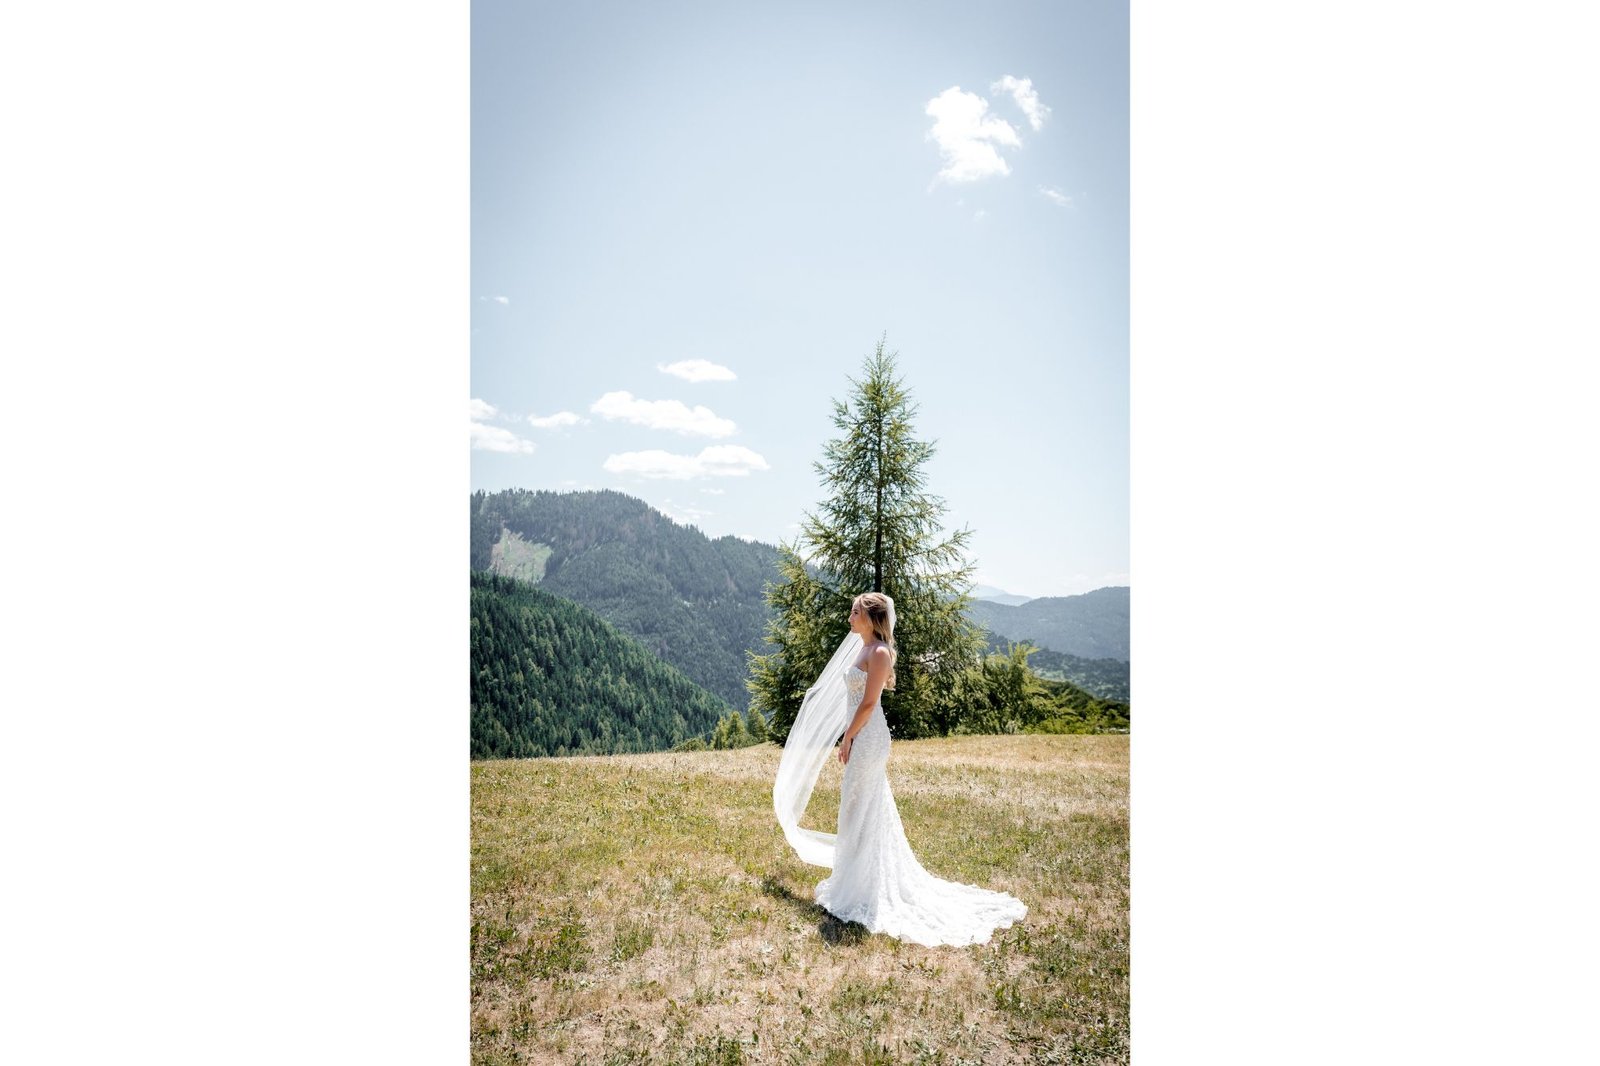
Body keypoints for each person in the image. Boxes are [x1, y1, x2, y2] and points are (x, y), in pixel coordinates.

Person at [773, 591, 1027, 947]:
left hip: (868, 737)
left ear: (873, 617)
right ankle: (858, 879)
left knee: (858, 808)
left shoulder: (878, 652)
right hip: (860, 735)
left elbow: (869, 702)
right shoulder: (861, 647)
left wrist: (847, 737)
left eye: (855, 611)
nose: (850, 616)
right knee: (859, 808)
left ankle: (863, 887)